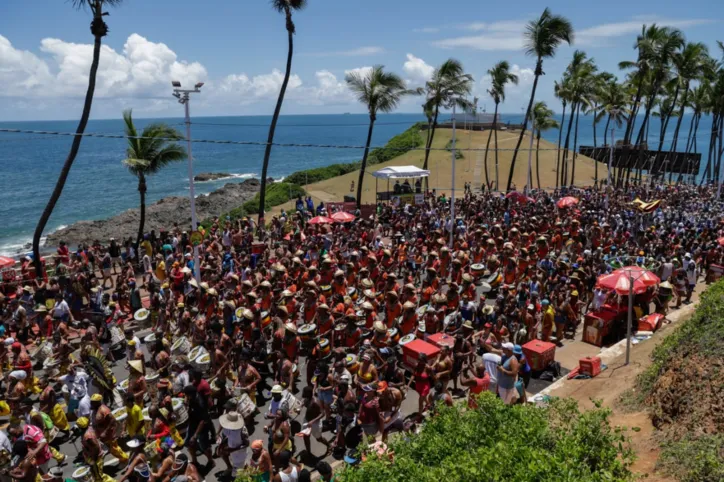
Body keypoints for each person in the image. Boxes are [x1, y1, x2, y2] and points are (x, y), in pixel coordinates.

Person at [183, 384, 214, 470]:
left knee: (205, 446)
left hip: (202, 427)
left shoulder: (200, 403)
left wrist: (195, 435)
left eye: (186, 395)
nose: (185, 397)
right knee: (188, 443)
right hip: (192, 424)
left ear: (190, 394)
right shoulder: (191, 398)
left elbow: (202, 421)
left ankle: (211, 461)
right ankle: (195, 461)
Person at [218, 410, 249, 475]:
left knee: (237, 475)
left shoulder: (242, 431)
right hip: (234, 455)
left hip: (240, 455)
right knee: (240, 470)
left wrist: (232, 449)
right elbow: (227, 436)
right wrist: (221, 445)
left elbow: (246, 444)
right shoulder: (228, 428)